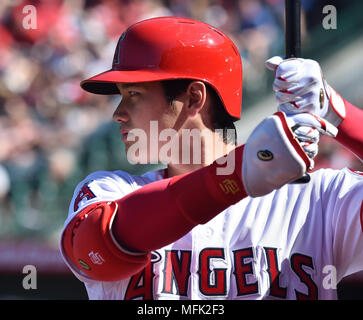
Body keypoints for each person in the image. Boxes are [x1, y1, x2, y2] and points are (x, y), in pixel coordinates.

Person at [59, 17, 363, 300]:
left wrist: (337, 112)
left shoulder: (319, 197)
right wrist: (240, 172)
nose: (118, 114)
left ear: (194, 98)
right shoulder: (111, 189)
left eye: (133, 94)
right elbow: (95, 251)